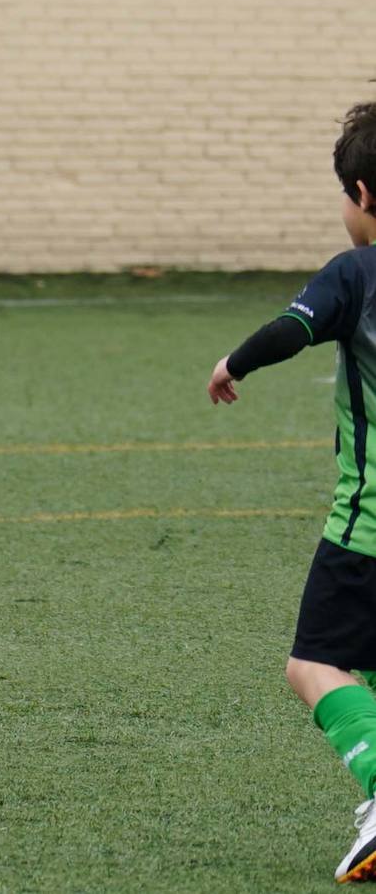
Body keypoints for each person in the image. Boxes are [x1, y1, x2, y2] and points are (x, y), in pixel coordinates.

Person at [207, 102, 376, 883]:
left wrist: (232, 364)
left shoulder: (356, 273)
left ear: (364, 195)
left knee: (313, 664)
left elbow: (293, 327)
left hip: (368, 526)